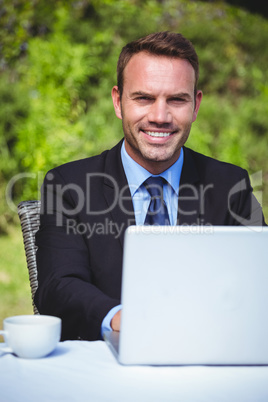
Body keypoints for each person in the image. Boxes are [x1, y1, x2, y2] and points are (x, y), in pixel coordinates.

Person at [35, 31, 266, 341]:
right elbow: (57, 286)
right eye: (143, 98)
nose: (160, 116)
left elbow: (258, 281)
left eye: (176, 99)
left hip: (208, 359)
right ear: (118, 102)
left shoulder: (231, 185)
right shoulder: (68, 185)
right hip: (105, 365)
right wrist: (123, 320)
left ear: (195, 105)